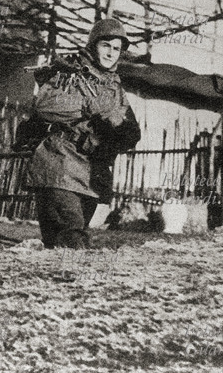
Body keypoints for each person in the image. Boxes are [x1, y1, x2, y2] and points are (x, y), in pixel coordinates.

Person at [20, 18, 141, 249]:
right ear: (93, 45)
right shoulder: (71, 72)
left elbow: (131, 131)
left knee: (61, 244)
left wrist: (119, 128)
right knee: (73, 238)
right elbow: (45, 106)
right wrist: (89, 105)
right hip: (59, 163)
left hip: (91, 172)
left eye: (117, 49)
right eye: (106, 45)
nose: (111, 53)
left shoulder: (115, 87)